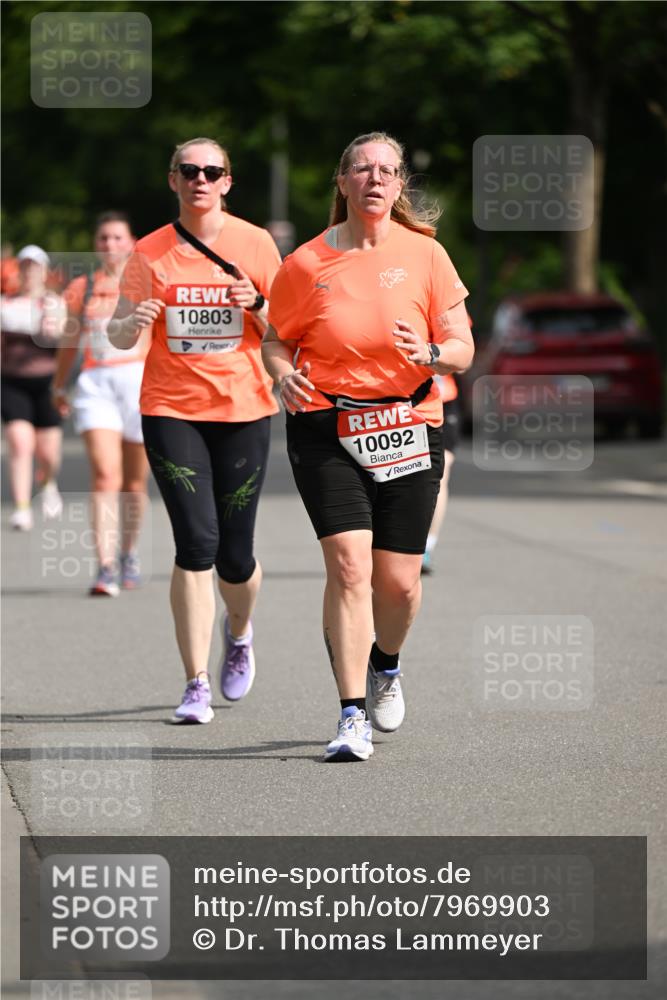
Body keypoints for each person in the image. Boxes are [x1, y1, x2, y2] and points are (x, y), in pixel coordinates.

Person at [263, 131, 474, 762]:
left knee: (399, 584)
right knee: (350, 567)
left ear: (400, 184)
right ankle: (351, 714)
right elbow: (275, 339)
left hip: (408, 422)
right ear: (343, 181)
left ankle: (387, 662)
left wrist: (430, 353)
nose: (375, 178)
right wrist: (282, 375)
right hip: (326, 427)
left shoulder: (426, 255)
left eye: (387, 170)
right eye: (363, 168)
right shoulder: (305, 263)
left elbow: (462, 348)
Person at [108, 137, 281, 723]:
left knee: (236, 556)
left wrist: (256, 303)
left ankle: (240, 630)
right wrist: (133, 320)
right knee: (196, 545)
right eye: (189, 170)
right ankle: (195, 682)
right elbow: (116, 334)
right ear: (173, 179)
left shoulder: (255, 243)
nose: (200, 179)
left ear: (227, 181)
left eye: (211, 171)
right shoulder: (150, 251)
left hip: (243, 409)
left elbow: (289, 329)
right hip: (171, 408)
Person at [52, 212, 150, 596]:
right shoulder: (82, 287)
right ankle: (105, 566)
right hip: (96, 384)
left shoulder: (147, 283)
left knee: (134, 482)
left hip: (138, 382)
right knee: (105, 475)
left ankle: (128, 552)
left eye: (117, 238)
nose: (110, 245)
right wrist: (59, 385)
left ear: (131, 242)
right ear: (96, 244)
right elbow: (69, 340)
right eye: (103, 238)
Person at [1, 245, 67, 531]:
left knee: (49, 452)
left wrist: (55, 331)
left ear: (44, 271)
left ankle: (48, 483)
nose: (30, 272)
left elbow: (66, 343)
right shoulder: (6, 304)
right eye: (25, 266)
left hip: (47, 383)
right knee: (20, 442)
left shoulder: (56, 303)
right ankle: (22, 507)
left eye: (35, 266)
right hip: (12, 382)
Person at [421, 372, 460, 575]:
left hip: (443, 401)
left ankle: (427, 546)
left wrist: (435, 358)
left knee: (440, 473)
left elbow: (463, 364)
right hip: (400, 402)